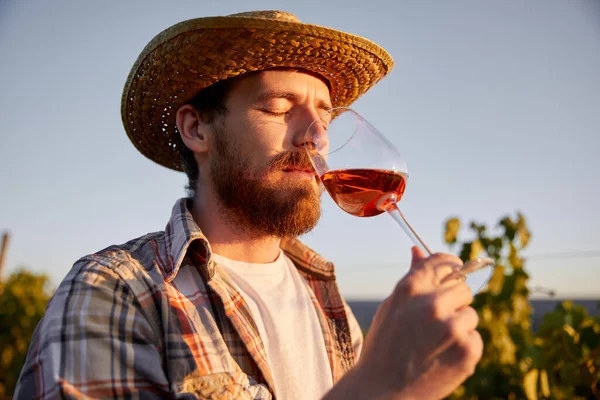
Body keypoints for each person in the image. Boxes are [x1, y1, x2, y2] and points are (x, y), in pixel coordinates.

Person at [15, 10, 482, 400]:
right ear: (197, 129)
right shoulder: (116, 291)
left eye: (324, 114)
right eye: (280, 108)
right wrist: (376, 386)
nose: (316, 137)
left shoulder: (325, 298)